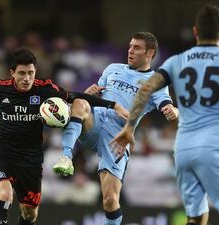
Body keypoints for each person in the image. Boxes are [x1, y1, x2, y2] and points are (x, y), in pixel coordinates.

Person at [110, 5, 219, 225]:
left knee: (197, 219)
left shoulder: (176, 61)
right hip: (215, 145)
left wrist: (129, 128)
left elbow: (145, 89)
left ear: (195, 32)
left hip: (183, 150)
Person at [0, 48, 127, 225]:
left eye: (31, 73)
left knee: (30, 214)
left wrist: (113, 105)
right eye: (22, 73)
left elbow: (75, 96)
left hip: (30, 160)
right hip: (2, 154)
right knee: (5, 193)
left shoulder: (45, 90)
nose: (27, 79)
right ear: (12, 73)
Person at [52, 31, 178, 225]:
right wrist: (88, 93)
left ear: (150, 53)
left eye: (137, 48)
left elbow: (166, 105)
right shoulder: (112, 68)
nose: (130, 51)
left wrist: (172, 111)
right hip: (94, 123)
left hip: (117, 137)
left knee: (110, 200)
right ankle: (66, 157)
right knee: (78, 103)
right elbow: (92, 97)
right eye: (130, 46)